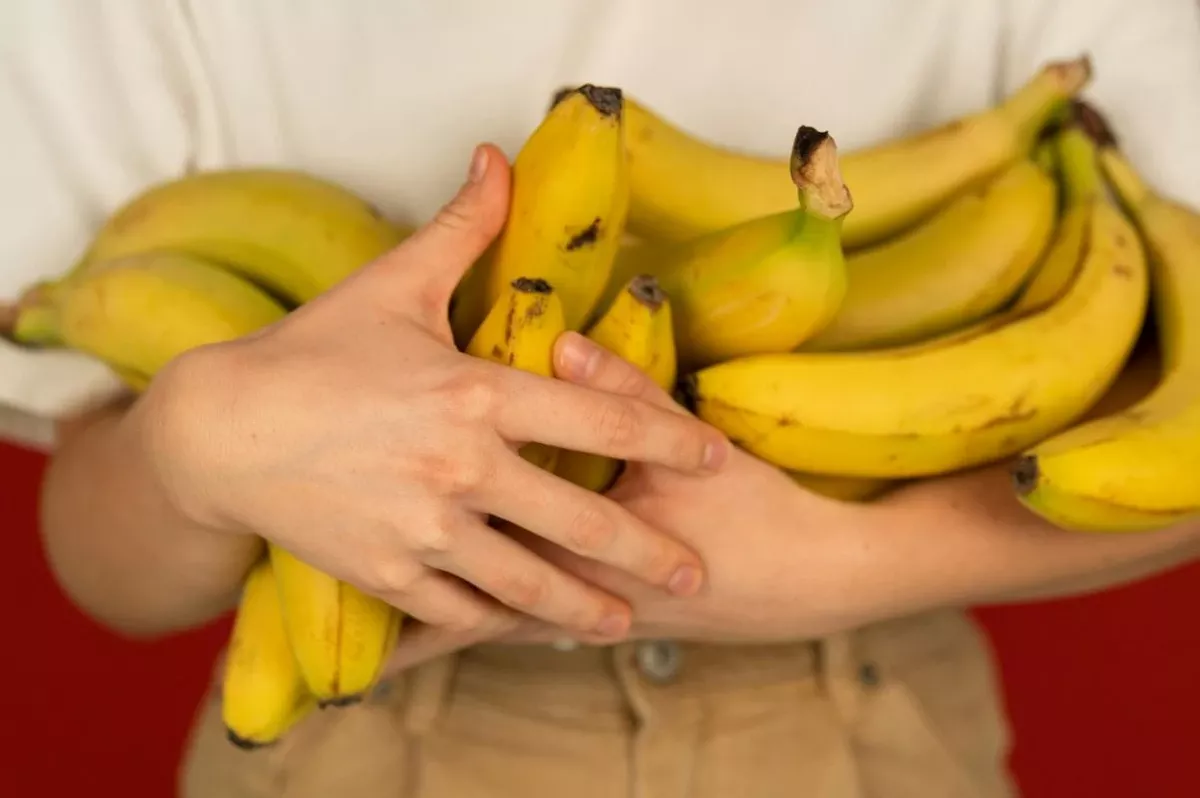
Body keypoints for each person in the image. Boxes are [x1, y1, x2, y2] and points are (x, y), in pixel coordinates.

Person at [3, 1, 1200, 796]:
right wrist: (191, 447)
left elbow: (1166, 453)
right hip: (358, 740)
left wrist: (852, 567)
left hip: (858, 709)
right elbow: (103, 565)